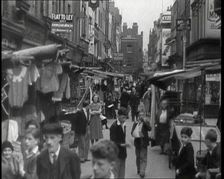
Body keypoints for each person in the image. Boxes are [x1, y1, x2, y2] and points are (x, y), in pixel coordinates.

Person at [110, 107, 131, 178]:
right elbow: (112, 141)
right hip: (116, 154)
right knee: (115, 173)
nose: (124, 119)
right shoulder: (114, 126)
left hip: (123, 154)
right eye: (122, 117)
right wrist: (123, 144)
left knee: (122, 173)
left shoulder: (123, 124)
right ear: (118, 116)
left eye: (125, 118)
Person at [131, 111, 151, 178]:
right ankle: (139, 169)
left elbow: (150, 128)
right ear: (138, 116)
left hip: (144, 143)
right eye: (140, 115)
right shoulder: (136, 123)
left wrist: (145, 122)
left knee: (143, 158)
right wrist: (137, 126)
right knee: (138, 157)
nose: (141, 116)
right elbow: (132, 133)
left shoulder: (146, 122)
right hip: (137, 143)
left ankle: (142, 172)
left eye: (143, 115)